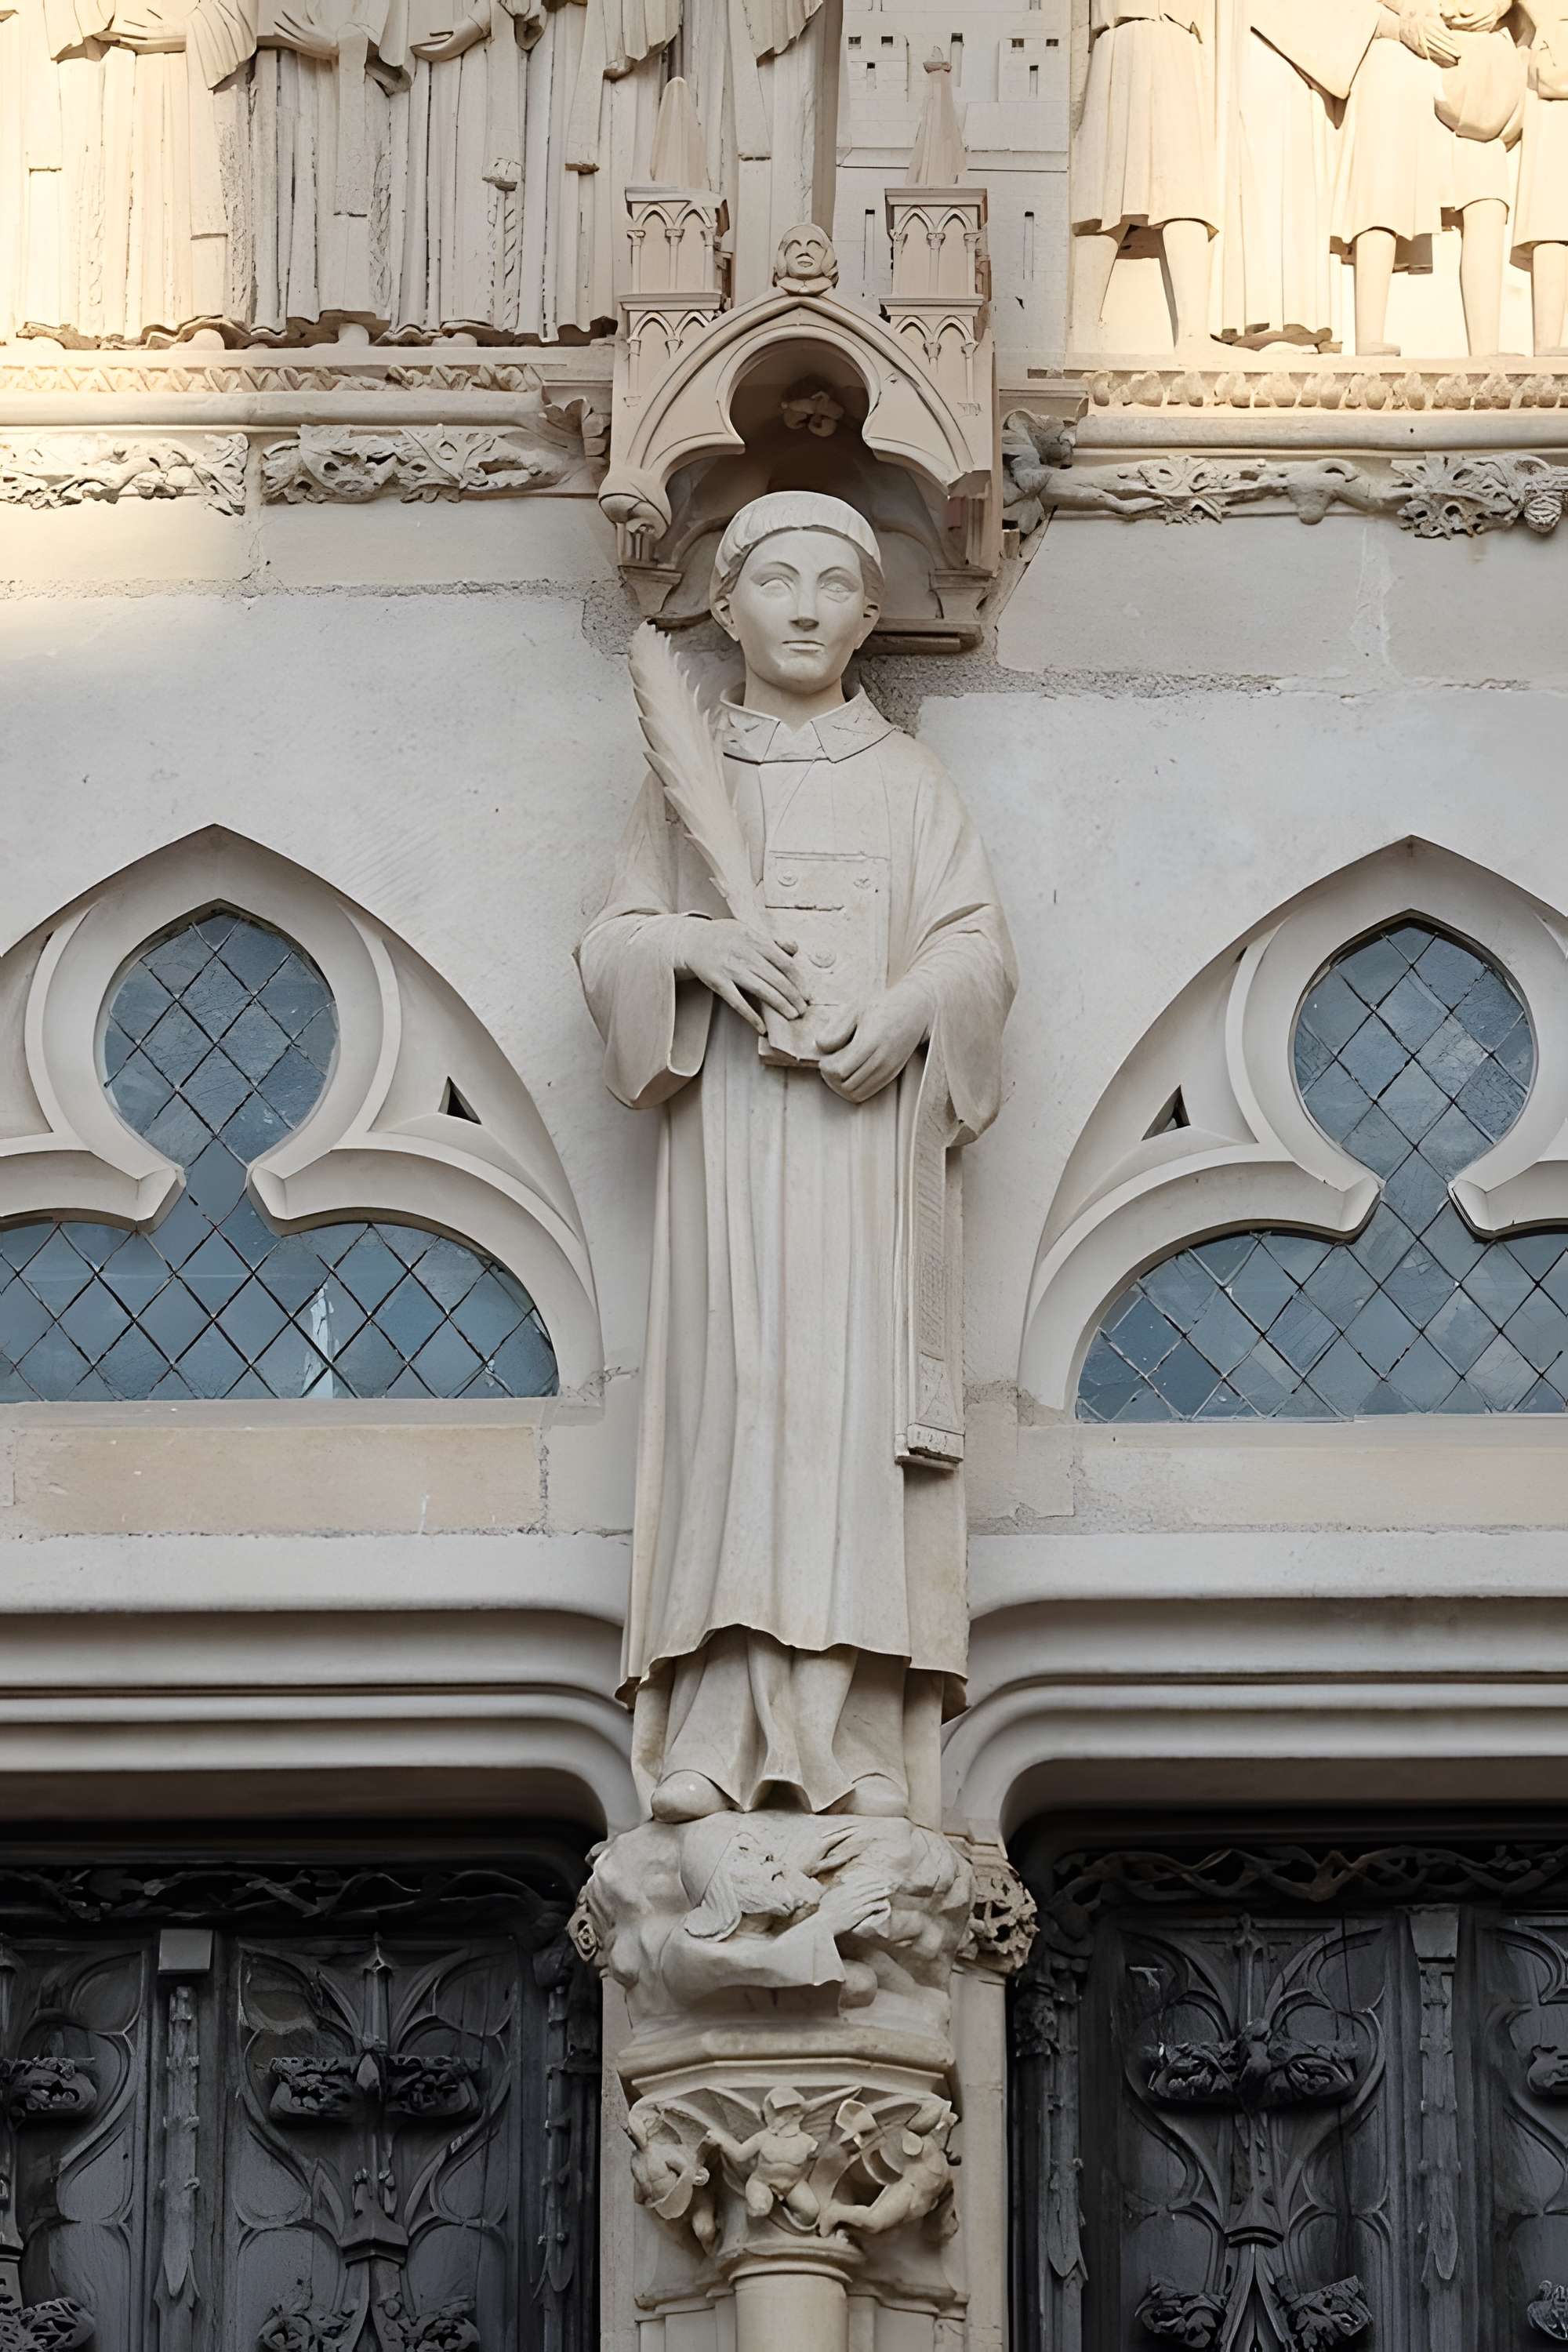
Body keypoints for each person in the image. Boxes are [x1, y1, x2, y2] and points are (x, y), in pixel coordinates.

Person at [577, 492, 1014, 1831]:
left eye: (837, 584)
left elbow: (976, 949)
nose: (810, 606)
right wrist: (697, 950)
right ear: (730, 606)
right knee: (742, 1408)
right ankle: (716, 1722)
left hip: (862, 1155)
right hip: (736, 1150)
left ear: (872, 616)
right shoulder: (686, 785)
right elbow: (612, 944)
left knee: (842, 1424)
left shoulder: (906, 782)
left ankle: (847, 1732)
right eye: (780, 580)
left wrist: (904, 1014)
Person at [1071, 0, 1220, 350]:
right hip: (1136, 36)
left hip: (1169, 38)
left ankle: (1193, 334)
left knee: (1178, 187)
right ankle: (1082, 329)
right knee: (1110, 186)